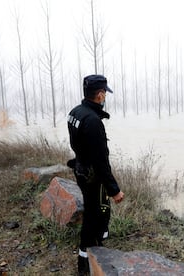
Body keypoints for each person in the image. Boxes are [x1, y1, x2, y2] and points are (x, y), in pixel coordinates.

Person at [67, 74, 125, 275]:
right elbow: (101, 162)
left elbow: (77, 145)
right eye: (104, 93)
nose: (105, 97)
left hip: (81, 170)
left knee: (98, 209)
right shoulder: (92, 122)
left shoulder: (75, 112)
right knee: (95, 215)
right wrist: (114, 190)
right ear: (100, 95)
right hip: (92, 176)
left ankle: (100, 243)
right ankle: (86, 261)